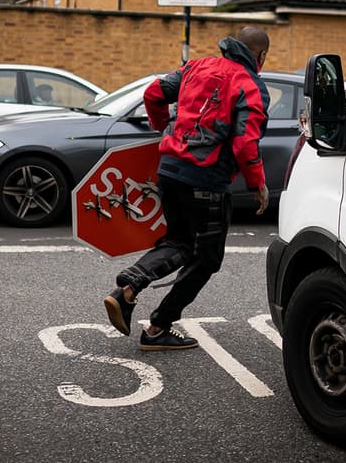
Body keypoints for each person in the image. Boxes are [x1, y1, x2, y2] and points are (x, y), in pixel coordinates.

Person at [103, 26, 271, 351]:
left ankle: (128, 290)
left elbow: (153, 93)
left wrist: (162, 128)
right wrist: (257, 184)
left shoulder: (196, 66)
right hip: (206, 180)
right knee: (206, 259)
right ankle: (157, 326)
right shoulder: (250, 85)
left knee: (179, 242)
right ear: (260, 55)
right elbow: (245, 144)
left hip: (170, 170)